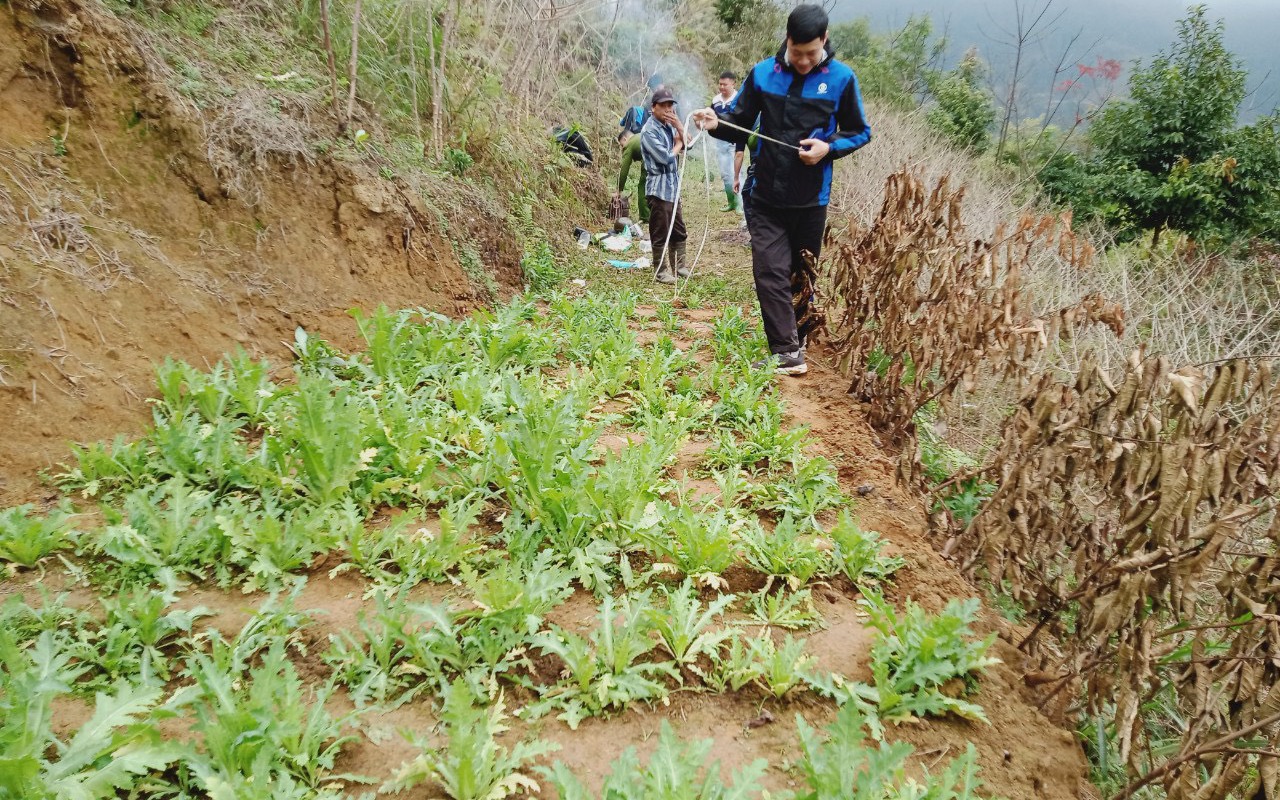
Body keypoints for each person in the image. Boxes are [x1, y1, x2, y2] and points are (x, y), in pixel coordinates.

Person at [694, 4, 871, 376]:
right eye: (796, 52)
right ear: (787, 40)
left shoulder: (841, 78)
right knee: (769, 270)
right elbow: (739, 122)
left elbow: (859, 131)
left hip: (811, 198)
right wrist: (715, 122)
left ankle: (799, 339)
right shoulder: (763, 74)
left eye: (811, 53)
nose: (803, 61)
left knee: (802, 273)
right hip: (766, 194)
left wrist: (829, 148)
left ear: (823, 41)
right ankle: (786, 350)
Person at [640, 85, 688, 285]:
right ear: (654, 107)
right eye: (664, 106)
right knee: (660, 231)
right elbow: (665, 157)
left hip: (672, 188)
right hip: (659, 189)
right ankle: (660, 271)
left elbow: (689, 142)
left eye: (670, 105)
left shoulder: (668, 126)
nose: (668, 109)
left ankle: (680, 267)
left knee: (678, 229)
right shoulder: (649, 131)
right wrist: (678, 144)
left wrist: (679, 126)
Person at [710, 71, 746, 214]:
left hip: (734, 142)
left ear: (733, 83)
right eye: (720, 84)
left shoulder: (739, 99)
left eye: (725, 84)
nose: (722, 87)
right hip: (720, 143)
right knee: (725, 174)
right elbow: (710, 118)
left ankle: (739, 203)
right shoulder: (715, 100)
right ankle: (730, 202)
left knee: (736, 173)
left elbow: (743, 121)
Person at [615, 133, 650, 225]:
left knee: (643, 187)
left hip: (650, 161)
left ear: (625, 139)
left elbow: (624, 169)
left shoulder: (630, 144)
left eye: (621, 145)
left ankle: (645, 217)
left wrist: (619, 190)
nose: (622, 148)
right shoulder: (639, 136)